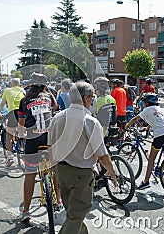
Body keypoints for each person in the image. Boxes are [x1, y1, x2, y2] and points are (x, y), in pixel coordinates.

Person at [49, 81, 117, 234]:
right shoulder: (90, 121)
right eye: (92, 97)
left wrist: (55, 171)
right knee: (76, 216)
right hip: (81, 174)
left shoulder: (57, 118)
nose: (93, 100)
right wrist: (112, 172)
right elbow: (103, 155)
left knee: (74, 215)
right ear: (86, 98)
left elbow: (50, 147)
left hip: (62, 171)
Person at [17, 73, 60, 221]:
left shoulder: (24, 100)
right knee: (55, 169)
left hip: (32, 139)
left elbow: (21, 124)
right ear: (44, 85)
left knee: (30, 175)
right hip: (48, 137)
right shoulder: (49, 96)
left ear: (30, 85)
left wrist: (21, 135)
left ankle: (26, 211)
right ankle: (59, 201)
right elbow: (55, 107)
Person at [125, 93, 164, 190]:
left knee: (151, 159)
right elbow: (157, 121)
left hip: (160, 135)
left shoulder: (146, 110)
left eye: (143, 102)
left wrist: (127, 125)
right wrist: (147, 128)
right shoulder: (158, 109)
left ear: (146, 103)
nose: (142, 104)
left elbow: (135, 118)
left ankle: (146, 181)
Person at [0, 78, 26, 167]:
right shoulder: (23, 91)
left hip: (12, 113)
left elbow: (2, 104)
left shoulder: (7, 90)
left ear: (11, 84)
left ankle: (9, 158)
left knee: (9, 136)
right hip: (23, 113)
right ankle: (25, 150)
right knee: (23, 133)